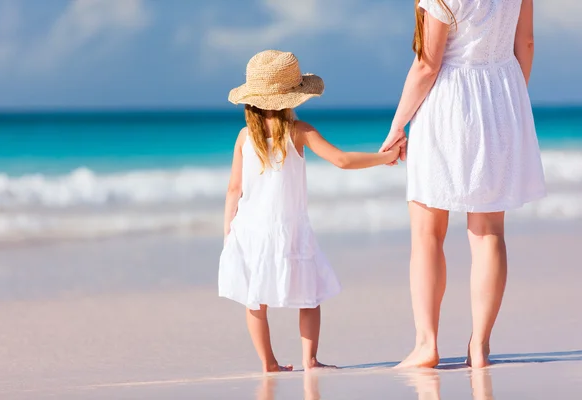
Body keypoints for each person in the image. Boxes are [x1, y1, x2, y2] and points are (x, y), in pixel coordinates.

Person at [380, 0, 546, 368]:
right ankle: (480, 346)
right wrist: (511, 100)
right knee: (489, 231)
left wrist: (397, 126)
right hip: (501, 94)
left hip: (449, 103)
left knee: (427, 232)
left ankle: (427, 344)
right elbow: (527, 42)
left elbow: (427, 65)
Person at [219, 50, 405, 372]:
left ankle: (269, 364)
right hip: (289, 227)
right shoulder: (298, 131)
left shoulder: (243, 137)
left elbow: (234, 189)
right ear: (291, 98)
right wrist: (384, 158)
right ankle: (310, 360)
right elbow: (342, 160)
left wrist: (228, 232)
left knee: (255, 301)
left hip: (248, 229)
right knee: (309, 295)